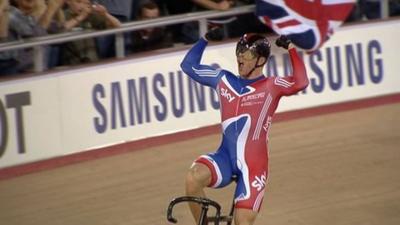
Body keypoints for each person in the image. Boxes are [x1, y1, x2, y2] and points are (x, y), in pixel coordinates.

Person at [181, 30, 309, 225]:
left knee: (242, 222)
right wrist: (204, 40)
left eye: (246, 54)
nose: (240, 57)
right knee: (193, 178)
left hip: (254, 167)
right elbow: (188, 66)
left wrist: (291, 48)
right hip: (224, 158)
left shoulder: (271, 86)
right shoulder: (223, 80)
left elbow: (301, 82)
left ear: (260, 60)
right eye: (239, 51)